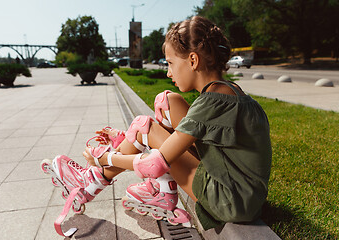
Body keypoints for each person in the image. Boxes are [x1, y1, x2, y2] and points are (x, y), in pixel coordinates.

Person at [44, 16, 272, 236]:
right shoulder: (229, 91)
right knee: (168, 101)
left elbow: (155, 164)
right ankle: (160, 192)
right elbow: (183, 141)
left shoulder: (211, 102)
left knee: (144, 126)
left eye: (171, 63)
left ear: (193, 60)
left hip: (230, 200)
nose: (168, 71)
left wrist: (107, 158)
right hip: (242, 192)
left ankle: (91, 182)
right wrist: (128, 138)